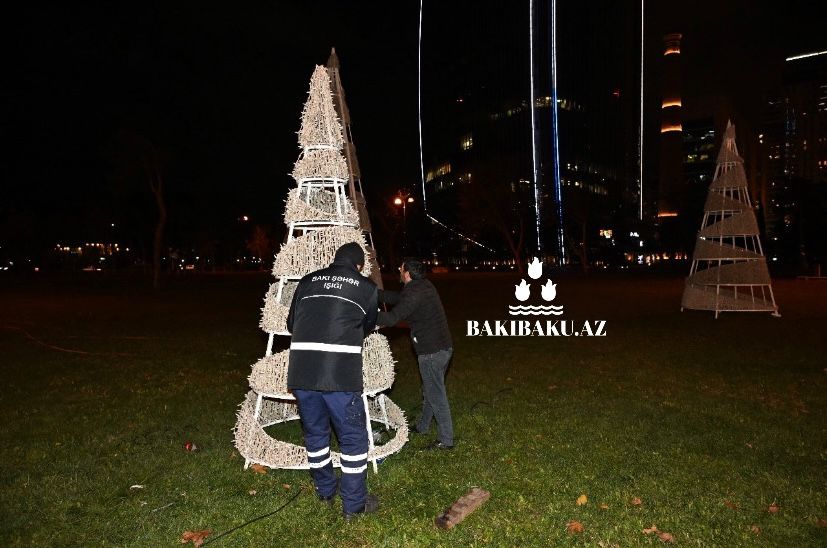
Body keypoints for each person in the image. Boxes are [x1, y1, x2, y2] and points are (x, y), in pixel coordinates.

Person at [286, 242, 379, 520]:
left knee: (315, 433)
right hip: (339, 376)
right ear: (359, 265)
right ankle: (354, 504)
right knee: (353, 439)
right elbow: (367, 325)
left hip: (302, 373)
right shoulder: (366, 287)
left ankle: (325, 491)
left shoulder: (307, 281)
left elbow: (291, 324)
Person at [378, 259, 454, 450]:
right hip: (442, 348)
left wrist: (364, 315)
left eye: (401, 268)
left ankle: (446, 440)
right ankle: (423, 426)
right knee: (429, 390)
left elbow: (392, 318)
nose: (399, 270)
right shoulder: (423, 285)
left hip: (431, 352)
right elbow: (400, 298)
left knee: (436, 396)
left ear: (407, 274)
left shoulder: (414, 293)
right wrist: (374, 294)